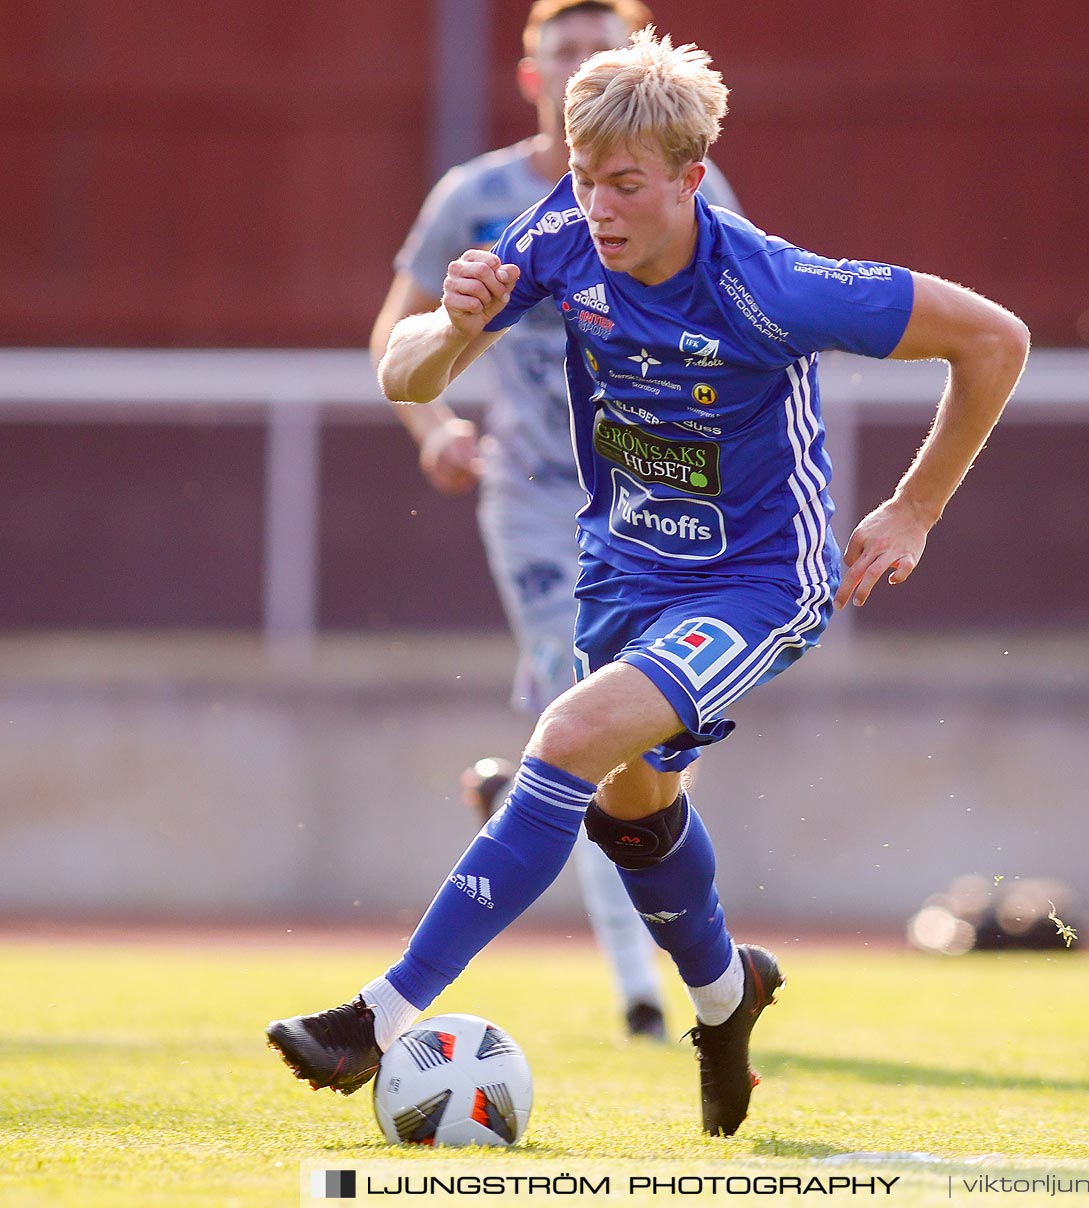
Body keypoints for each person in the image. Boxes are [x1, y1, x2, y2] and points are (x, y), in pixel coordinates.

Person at [269, 30, 1030, 1137]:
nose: (599, 207)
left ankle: (377, 1016)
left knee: (568, 735)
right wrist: (457, 323)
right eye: (582, 180)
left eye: (625, 185)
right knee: (637, 809)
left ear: (689, 176)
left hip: (760, 581)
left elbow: (995, 339)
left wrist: (914, 507)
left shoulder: (771, 283)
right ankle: (727, 999)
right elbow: (404, 368)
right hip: (623, 569)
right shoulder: (560, 237)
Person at [368, 0, 743, 1045]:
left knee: (644, 756)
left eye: (601, 49)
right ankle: (640, 992)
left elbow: (748, 312)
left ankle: (532, 800)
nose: (583, 63)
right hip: (539, 498)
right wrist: (432, 425)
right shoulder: (480, 198)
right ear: (534, 76)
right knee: (581, 718)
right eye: (563, 51)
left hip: (661, 507)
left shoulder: (683, 186)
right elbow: (396, 332)